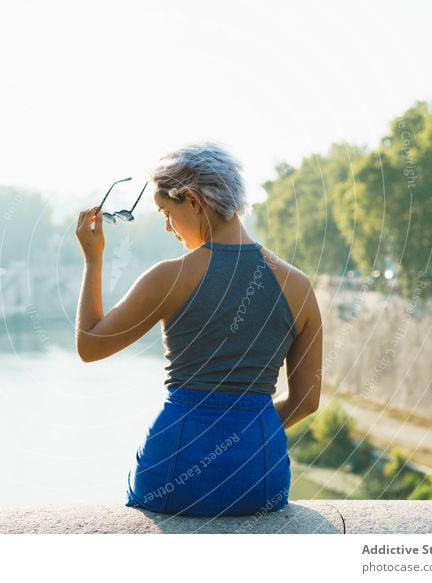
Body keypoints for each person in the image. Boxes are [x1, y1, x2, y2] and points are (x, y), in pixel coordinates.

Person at [74, 142, 323, 517]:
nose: (168, 227)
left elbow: (89, 346)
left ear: (193, 200)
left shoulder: (169, 278)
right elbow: (306, 401)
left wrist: (93, 259)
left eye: (166, 212)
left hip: (174, 470)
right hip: (261, 477)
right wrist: (248, 429)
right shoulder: (298, 286)